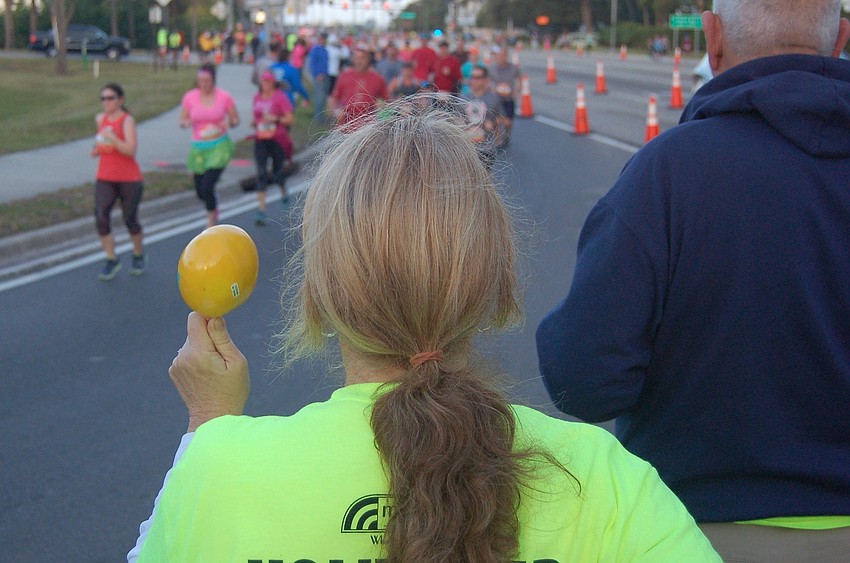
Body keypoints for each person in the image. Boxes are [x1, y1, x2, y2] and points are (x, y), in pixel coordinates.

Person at [128, 106, 721, 562]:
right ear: (496, 283)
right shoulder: (604, 481)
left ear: (318, 294)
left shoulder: (219, 471)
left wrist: (207, 426)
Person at [535, 2, 850, 561]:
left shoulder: (668, 173)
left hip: (690, 532)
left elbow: (583, 378)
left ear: (713, 37)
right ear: (841, 39)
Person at [90, 83, 145, 281]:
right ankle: (111, 258)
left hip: (129, 178)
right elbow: (101, 143)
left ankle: (138, 254)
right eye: (103, 98)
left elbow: (130, 151)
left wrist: (112, 137)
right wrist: (96, 149)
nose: (106, 102)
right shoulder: (100, 119)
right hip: (105, 176)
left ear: (120, 100)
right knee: (101, 216)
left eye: (110, 98)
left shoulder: (127, 120)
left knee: (130, 219)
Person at [179, 64, 240, 229]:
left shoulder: (224, 97)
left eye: (207, 80)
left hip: (219, 146)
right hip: (199, 148)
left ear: (213, 80)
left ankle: (211, 221)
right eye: (200, 80)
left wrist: (229, 123)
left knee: (207, 186)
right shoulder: (190, 97)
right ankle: (213, 201)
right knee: (200, 191)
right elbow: (182, 120)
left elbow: (235, 119)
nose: (203, 84)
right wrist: (186, 123)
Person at [251, 70, 294, 225]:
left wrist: (275, 119)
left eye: (268, 82)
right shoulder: (257, 97)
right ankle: (261, 210)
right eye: (263, 82)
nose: (266, 85)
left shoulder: (280, 97)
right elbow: (256, 116)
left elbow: (290, 119)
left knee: (277, 172)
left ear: (273, 83)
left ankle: (283, 191)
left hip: (277, 139)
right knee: (261, 172)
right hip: (261, 139)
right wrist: (255, 122)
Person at [328, 48, 387, 128]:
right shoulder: (345, 76)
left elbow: (388, 100)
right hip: (346, 125)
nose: (359, 61)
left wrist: (382, 109)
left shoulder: (377, 78)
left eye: (362, 58)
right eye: (356, 58)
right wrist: (336, 111)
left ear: (368, 60)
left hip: (368, 127)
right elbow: (334, 97)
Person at [461, 66, 503, 167]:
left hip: (486, 146)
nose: (474, 80)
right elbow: (456, 119)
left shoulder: (493, 98)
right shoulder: (463, 98)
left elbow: (500, 119)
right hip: (467, 146)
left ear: (485, 80)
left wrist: (498, 138)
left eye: (478, 77)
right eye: (472, 77)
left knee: (485, 174)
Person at [489, 46, 520, 148]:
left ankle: (507, 135)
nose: (501, 57)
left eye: (503, 55)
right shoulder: (493, 68)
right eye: (500, 55)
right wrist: (492, 90)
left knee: (508, 122)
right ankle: (498, 141)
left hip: (508, 98)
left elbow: (519, 79)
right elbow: (488, 81)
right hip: (497, 99)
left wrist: (516, 91)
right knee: (497, 120)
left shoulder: (512, 68)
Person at [308, 33, 330, 118]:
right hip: (319, 76)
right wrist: (317, 74)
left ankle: (321, 114)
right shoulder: (315, 49)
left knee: (323, 96)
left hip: (325, 75)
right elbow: (312, 63)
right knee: (319, 96)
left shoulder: (325, 50)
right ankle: (318, 116)